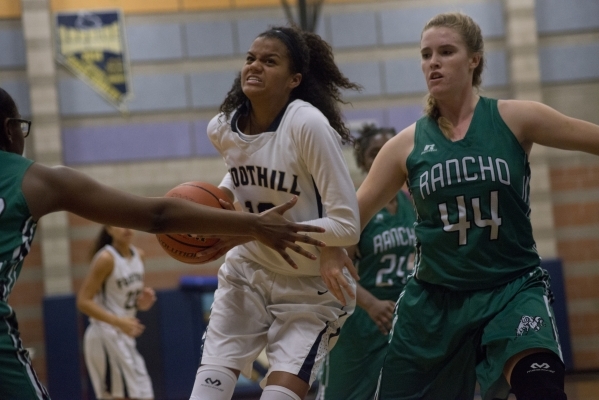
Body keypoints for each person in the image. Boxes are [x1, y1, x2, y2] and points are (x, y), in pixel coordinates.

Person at [326, 11, 599, 400]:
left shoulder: (517, 118)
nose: (432, 62)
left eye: (446, 52)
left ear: (474, 59)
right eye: (425, 55)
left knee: (542, 388)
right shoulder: (405, 145)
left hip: (511, 287)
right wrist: (331, 250)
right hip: (435, 301)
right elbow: (350, 217)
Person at [0, 86, 328, 399]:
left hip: (126, 334)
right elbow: (158, 216)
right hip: (106, 334)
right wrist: (254, 226)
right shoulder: (41, 185)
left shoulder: (136, 257)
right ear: (8, 129)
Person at [188, 25, 361, 400]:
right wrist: (219, 198)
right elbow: (245, 169)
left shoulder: (308, 125)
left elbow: (347, 225)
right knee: (207, 394)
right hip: (247, 273)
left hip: (310, 287)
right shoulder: (222, 127)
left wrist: (258, 229)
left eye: (269, 62)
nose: (254, 67)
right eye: (250, 59)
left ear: (294, 79)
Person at [317, 124, 416, 400]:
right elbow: (335, 271)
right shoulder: (355, 206)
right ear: (363, 162)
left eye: (388, 150)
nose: (383, 157)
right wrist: (371, 304)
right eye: (375, 153)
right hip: (359, 317)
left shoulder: (412, 203)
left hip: (400, 317)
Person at [77, 226, 156, 399]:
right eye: (119, 223)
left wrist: (142, 304)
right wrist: (119, 322)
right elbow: (83, 301)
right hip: (104, 335)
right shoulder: (106, 258)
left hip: (124, 335)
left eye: (130, 222)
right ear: (109, 229)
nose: (127, 227)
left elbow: (125, 301)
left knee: (144, 394)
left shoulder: (139, 255)